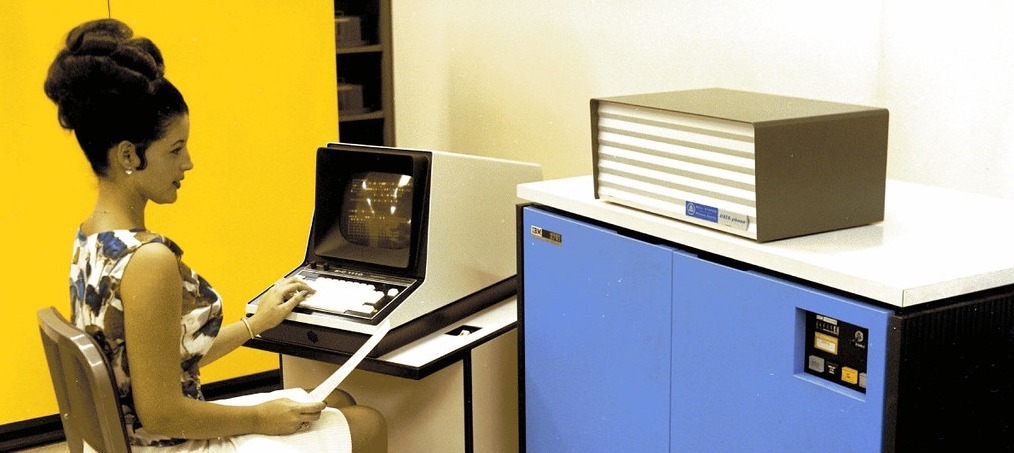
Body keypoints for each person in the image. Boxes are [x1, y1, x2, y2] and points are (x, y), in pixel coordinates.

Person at [45, 18, 386, 453]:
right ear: (129, 154)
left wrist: (254, 324)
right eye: (175, 149)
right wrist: (262, 418)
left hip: (137, 443)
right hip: (168, 445)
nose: (188, 164)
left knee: (336, 402)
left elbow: (152, 363)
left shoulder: (91, 239)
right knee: (368, 424)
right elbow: (163, 412)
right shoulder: (148, 261)